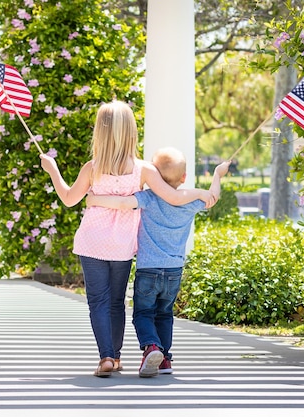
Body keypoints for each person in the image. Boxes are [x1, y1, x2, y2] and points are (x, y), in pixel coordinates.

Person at [39, 101, 217, 378]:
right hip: (122, 245)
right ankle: (118, 356)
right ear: (131, 132)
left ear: (100, 132)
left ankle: (107, 357)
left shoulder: (92, 168)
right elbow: (171, 196)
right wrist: (201, 193)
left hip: (91, 242)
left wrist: (52, 170)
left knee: (97, 301)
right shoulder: (143, 169)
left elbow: (69, 199)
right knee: (116, 302)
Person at [86, 147, 230, 377]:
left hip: (148, 270)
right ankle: (165, 360)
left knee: (143, 314)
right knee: (165, 313)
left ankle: (151, 346)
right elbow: (213, 197)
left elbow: (123, 204)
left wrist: (95, 199)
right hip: (174, 270)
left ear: (153, 178)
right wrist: (217, 174)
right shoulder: (191, 201)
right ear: (183, 178)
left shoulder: (149, 198)